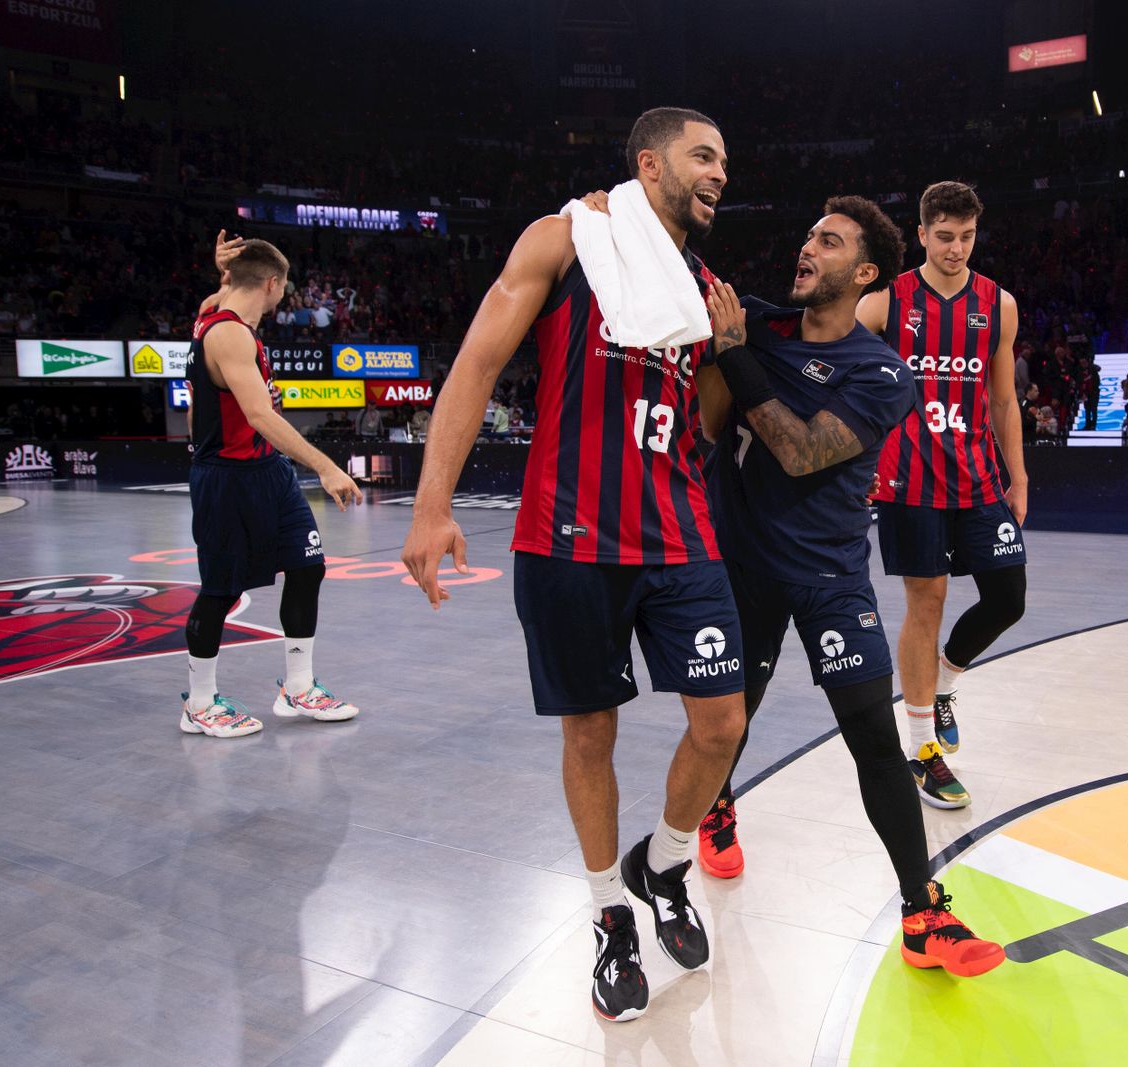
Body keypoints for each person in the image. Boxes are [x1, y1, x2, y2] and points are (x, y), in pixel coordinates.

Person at [400, 108, 745, 1024]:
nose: (719, 173)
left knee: (722, 724)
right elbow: (475, 366)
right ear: (649, 163)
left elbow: (704, 423)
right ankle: (608, 912)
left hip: (679, 536)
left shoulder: (707, 290)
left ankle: (663, 864)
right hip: (569, 541)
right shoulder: (566, 239)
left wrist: (731, 352)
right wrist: (432, 504)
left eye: (724, 161)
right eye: (702, 156)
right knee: (590, 737)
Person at [695, 197, 1004, 978]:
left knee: (872, 734)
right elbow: (673, 280)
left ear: (865, 272)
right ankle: (717, 806)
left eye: (827, 240)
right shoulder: (756, 324)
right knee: (730, 723)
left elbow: (801, 454)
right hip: (744, 568)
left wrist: (732, 354)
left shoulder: (883, 372)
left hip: (832, 577)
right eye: (807, 232)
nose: (807, 246)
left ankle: (922, 910)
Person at [857, 181, 1027, 811]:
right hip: (909, 481)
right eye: (945, 237)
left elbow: (1003, 399)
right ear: (922, 233)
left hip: (980, 475)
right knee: (925, 605)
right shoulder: (887, 301)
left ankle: (947, 680)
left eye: (967, 237)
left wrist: (1021, 476)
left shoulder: (998, 304)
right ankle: (923, 751)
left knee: (1008, 597)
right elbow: (828, 338)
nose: (957, 248)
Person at [182, 236, 363, 740]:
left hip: (269, 473)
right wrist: (326, 467)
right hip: (226, 476)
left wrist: (222, 270)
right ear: (272, 284)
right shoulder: (228, 335)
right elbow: (259, 415)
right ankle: (199, 704)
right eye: (283, 288)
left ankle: (298, 687)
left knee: (308, 568)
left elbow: (221, 293)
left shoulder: (214, 313)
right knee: (220, 590)